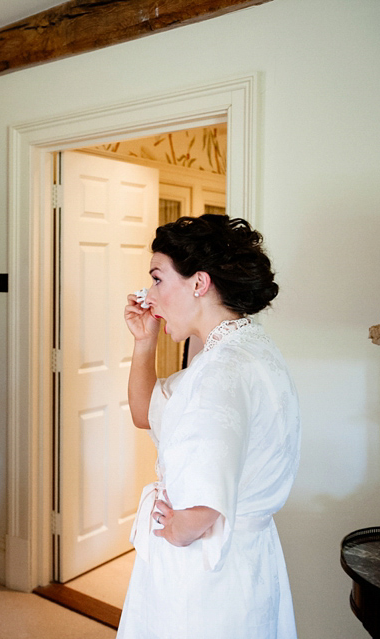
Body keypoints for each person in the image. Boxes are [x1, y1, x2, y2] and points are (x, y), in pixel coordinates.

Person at [119, 214, 301, 638]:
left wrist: (180, 530)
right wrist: (145, 342)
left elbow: (204, 505)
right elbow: (146, 412)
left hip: (205, 573)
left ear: (199, 283)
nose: (150, 295)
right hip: (246, 563)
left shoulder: (221, 371)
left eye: (158, 279)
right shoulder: (246, 348)